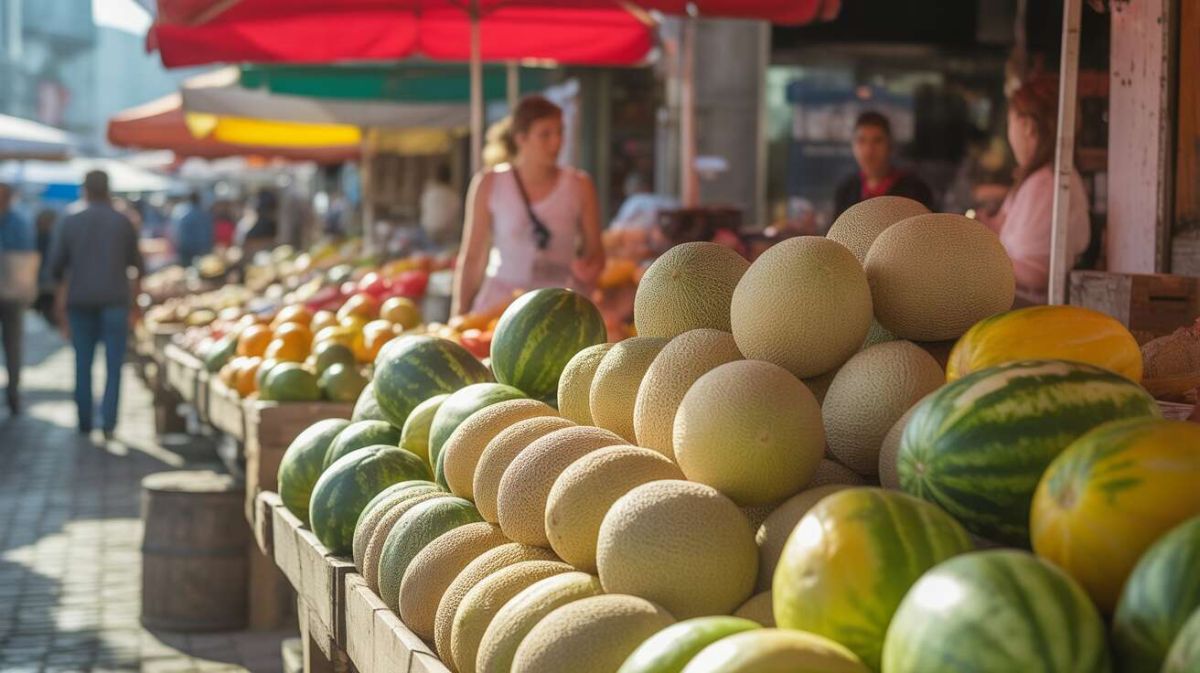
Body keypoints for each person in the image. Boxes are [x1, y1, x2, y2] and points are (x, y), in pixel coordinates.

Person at [452, 96, 605, 316]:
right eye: (545, 134)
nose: (556, 142)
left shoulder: (580, 185)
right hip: (500, 306)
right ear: (520, 138)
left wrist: (590, 267)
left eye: (560, 132)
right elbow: (473, 256)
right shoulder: (489, 183)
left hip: (559, 304)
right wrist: (459, 312)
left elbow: (596, 252)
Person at [47, 171, 144, 438]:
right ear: (108, 189)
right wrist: (135, 304)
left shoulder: (70, 219)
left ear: (85, 190)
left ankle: (85, 421)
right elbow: (138, 267)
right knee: (114, 365)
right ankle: (109, 422)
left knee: (83, 363)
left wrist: (59, 306)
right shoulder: (122, 221)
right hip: (115, 301)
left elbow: (56, 269)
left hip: (80, 301)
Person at [979, 74, 1090, 305]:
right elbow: (1008, 229)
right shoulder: (1034, 180)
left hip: (1032, 313)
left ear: (1027, 126)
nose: (1010, 134)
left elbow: (1039, 272)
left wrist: (979, 261)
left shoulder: (1046, 185)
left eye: (1010, 123)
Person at [833, 111, 935, 218]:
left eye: (877, 141)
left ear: (890, 145)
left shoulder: (915, 190)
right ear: (853, 146)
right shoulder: (846, 190)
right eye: (861, 141)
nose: (869, 150)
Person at [0, 183, 37, 414]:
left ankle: (13, 394)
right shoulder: (20, 221)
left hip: (12, 294)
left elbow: (26, 256)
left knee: (13, 346)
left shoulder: (20, 221)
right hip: (13, 291)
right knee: (13, 345)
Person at [420, 165, 463, 248]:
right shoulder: (453, 195)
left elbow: (423, 209)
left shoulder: (430, 192)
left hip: (431, 232)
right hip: (446, 234)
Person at [170, 191, 214, 266]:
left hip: (187, 250)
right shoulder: (205, 215)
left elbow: (178, 234)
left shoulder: (184, 215)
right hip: (202, 249)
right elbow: (210, 232)